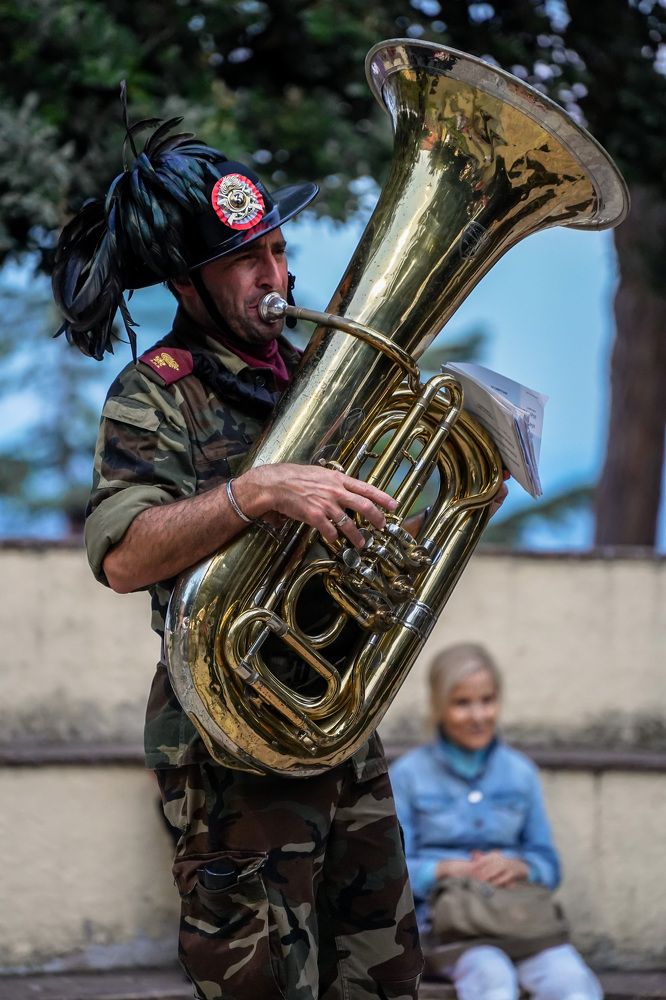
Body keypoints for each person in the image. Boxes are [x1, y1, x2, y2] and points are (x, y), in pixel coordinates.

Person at [51, 94, 434, 1000]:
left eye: (277, 249)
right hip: (229, 743)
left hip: (340, 717)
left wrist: (403, 522)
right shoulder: (156, 393)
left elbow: (366, 533)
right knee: (264, 981)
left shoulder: (316, 375)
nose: (276, 276)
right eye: (246, 260)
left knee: (385, 974)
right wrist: (254, 492)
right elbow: (124, 555)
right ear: (189, 285)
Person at [389, 643, 603, 1000]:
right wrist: (447, 869)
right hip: (450, 930)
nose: (478, 715)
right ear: (439, 706)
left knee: (572, 982)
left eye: (487, 700)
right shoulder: (409, 775)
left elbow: (549, 865)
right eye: (462, 703)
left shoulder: (520, 772)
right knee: (492, 979)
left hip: (519, 924)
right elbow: (393, 873)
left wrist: (518, 867)